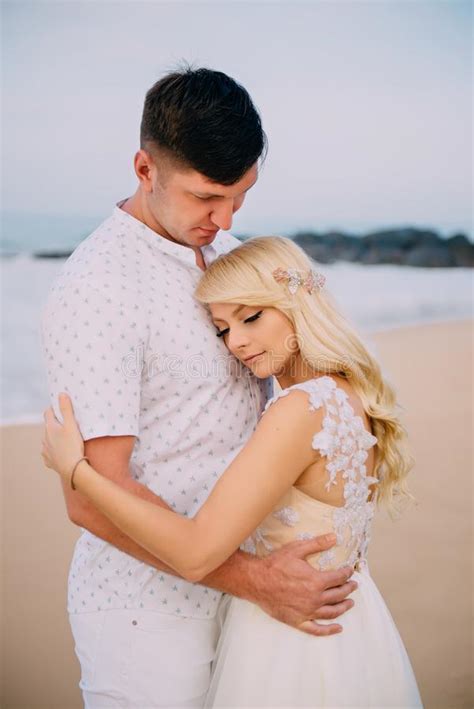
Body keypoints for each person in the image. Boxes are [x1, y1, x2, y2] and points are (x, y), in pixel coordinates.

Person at [41, 68, 356, 708]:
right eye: (207, 197)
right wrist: (258, 583)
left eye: (240, 196)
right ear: (143, 167)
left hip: (250, 597)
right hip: (146, 616)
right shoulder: (97, 287)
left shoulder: (231, 253)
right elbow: (91, 498)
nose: (225, 217)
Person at [42, 235, 422, 707]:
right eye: (222, 329)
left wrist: (77, 472)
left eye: (251, 316)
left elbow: (197, 552)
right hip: (352, 628)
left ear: (296, 303)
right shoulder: (346, 393)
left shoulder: (299, 410)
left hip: (289, 641)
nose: (237, 342)